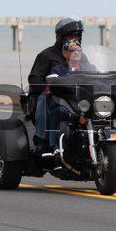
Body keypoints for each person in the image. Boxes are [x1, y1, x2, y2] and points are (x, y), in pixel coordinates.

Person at [28, 16, 84, 153]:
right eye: (71, 35)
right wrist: (48, 87)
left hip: (74, 97)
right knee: (44, 97)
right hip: (53, 96)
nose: (75, 38)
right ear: (61, 36)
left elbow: (92, 72)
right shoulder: (46, 55)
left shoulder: (80, 56)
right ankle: (41, 138)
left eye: (77, 35)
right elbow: (34, 79)